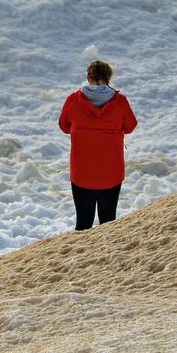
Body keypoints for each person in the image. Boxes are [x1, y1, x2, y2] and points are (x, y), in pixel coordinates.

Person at [58, 59, 137, 231]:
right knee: (108, 223)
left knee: (83, 224)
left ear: (88, 77)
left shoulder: (73, 100)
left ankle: (80, 257)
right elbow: (130, 126)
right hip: (111, 173)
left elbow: (64, 126)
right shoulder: (120, 101)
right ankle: (108, 256)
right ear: (108, 77)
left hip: (82, 173)